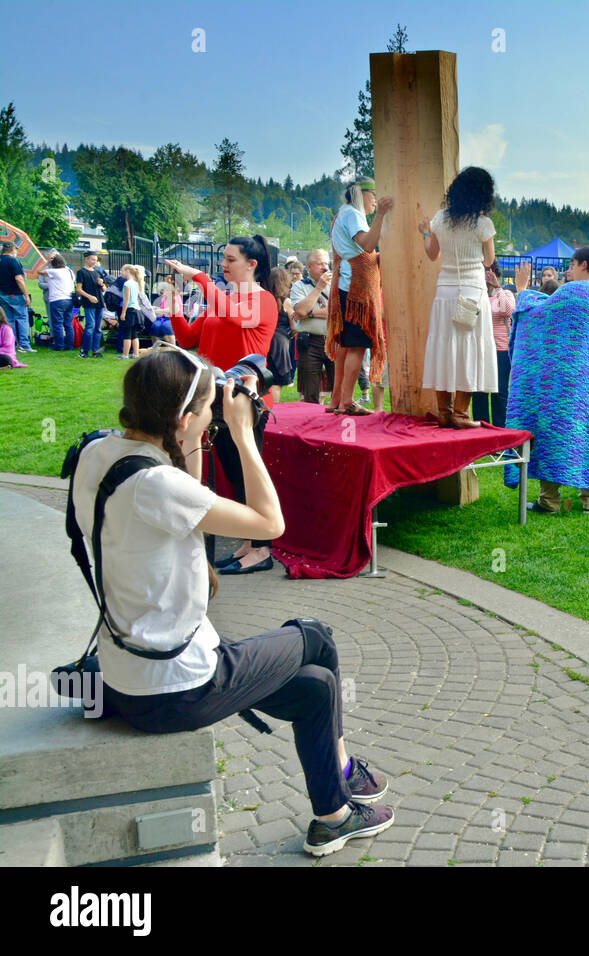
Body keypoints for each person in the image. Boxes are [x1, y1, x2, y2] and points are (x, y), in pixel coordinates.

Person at [76, 346, 394, 856]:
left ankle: (333, 810)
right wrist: (244, 434)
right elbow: (271, 525)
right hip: (176, 688)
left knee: (315, 689)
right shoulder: (157, 485)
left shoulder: (100, 454)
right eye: (206, 408)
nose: (213, 415)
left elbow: (184, 489)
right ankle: (343, 777)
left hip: (127, 672)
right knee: (315, 636)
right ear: (182, 419)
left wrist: (198, 430)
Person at [164, 236, 279, 575]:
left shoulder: (264, 301)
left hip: (246, 400)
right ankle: (250, 540)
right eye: (224, 259)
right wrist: (174, 305)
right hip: (216, 397)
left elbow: (239, 318)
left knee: (247, 472)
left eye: (230, 259)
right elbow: (187, 338)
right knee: (233, 472)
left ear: (251, 265)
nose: (224, 265)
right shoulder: (222, 299)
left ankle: (262, 550)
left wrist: (198, 279)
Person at [507, 249, 589, 513]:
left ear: (584, 265)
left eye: (572, 264)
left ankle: (549, 499)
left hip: (561, 382)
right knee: (588, 435)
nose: (568, 269)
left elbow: (538, 316)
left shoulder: (574, 291)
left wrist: (521, 290)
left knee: (553, 434)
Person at [420, 166, 497, 428]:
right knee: (470, 349)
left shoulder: (440, 219)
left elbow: (432, 254)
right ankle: (461, 414)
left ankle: (444, 412)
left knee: (443, 347)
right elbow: (489, 260)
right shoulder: (483, 223)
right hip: (472, 291)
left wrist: (424, 231)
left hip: (445, 290)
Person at [329, 179, 392, 416]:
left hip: (347, 282)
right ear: (361, 194)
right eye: (373, 195)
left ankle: (337, 399)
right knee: (355, 346)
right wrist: (382, 216)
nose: (375, 201)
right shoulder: (353, 215)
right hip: (355, 288)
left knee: (346, 347)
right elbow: (367, 244)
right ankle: (346, 402)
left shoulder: (344, 214)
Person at [470, 262, 517, 426]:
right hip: (480, 348)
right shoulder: (477, 294)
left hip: (501, 349)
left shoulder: (506, 294)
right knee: (479, 390)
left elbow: (509, 311)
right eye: (483, 272)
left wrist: (498, 288)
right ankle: (481, 427)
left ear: (496, 274)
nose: (485, 276)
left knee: (500, 390)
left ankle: (499, 427)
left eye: (489, 272)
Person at [289, 249, 334, 404]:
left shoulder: (337, 283)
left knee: (338, 388)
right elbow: (300, 310)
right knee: (310, 392)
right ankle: (311, 422)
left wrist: (310, 313)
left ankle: (337, 423)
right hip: (309, 342)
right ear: (309, 266)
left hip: (334, 340)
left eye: (326, 263)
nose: (324, 267)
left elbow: (339, 311)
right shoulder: (299, 286)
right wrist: (319, 287)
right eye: (319, 263)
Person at [264, 267, 296, 404]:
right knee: (277, 383)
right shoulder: (286, 302)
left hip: (264, 342)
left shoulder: (263, 299)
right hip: (280, 344)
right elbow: (294, 326)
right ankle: (273, 412)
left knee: (265, 382)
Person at [0, 240, 34, 352]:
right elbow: (19, 279)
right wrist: (26, 295)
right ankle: (24, 344)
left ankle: (12, 343)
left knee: (9, 319)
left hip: (3, 294)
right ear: (13, 249)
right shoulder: (13, 261)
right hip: (15, 294)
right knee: (22, 318)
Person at [38, 253, 76, 351]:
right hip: (69, 299)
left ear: (53, 263)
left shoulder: (54, 272)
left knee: (57, 324)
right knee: (68, 324)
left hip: (57, 300)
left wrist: (47, 262)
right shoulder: (69, 271)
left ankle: (59, 345)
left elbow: (39, 271)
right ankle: (69, 345)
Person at [76, 252, 107, 358]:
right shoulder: (81, 272)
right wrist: (89, 297)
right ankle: (84, 350)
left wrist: (101, 284)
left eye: (96, 260)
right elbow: (79, 289)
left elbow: (104, 289)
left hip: (100, 302)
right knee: (90, 326)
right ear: (87, 259)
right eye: (92, 259)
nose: (94, 262)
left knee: (98, 327)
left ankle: (96, 350)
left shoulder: (98, 272)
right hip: (89, 303)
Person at [116, 264, 147, 360]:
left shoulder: (127, 283)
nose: (122, 273)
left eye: (122, 271)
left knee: (127, 334)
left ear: (127, 271)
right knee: (134, 334)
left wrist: (123, 312)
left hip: (130, 310)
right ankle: (135, 353)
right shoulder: (136, 283)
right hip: (137, 310)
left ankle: (125, 354)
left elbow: (126, 299)